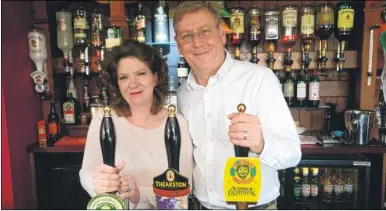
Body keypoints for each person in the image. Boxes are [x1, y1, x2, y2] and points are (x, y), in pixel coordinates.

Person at [174, 1, 302, 209]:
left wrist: (261, 143)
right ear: (178, 44)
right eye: (187, 36)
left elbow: (292, 154)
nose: (197, 42)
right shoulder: (183, 94)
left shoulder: (259, 79)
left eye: (204, 31)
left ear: (221, 34)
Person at [79, 39, 193, 209]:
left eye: (141, 73)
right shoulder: (105, 118)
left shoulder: (175, 122)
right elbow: (87, 173)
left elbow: (184, 189)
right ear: (117, 84)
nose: (133, 84)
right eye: (123, 77)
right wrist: (99, 183)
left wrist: (140, 194)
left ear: (155, 78)